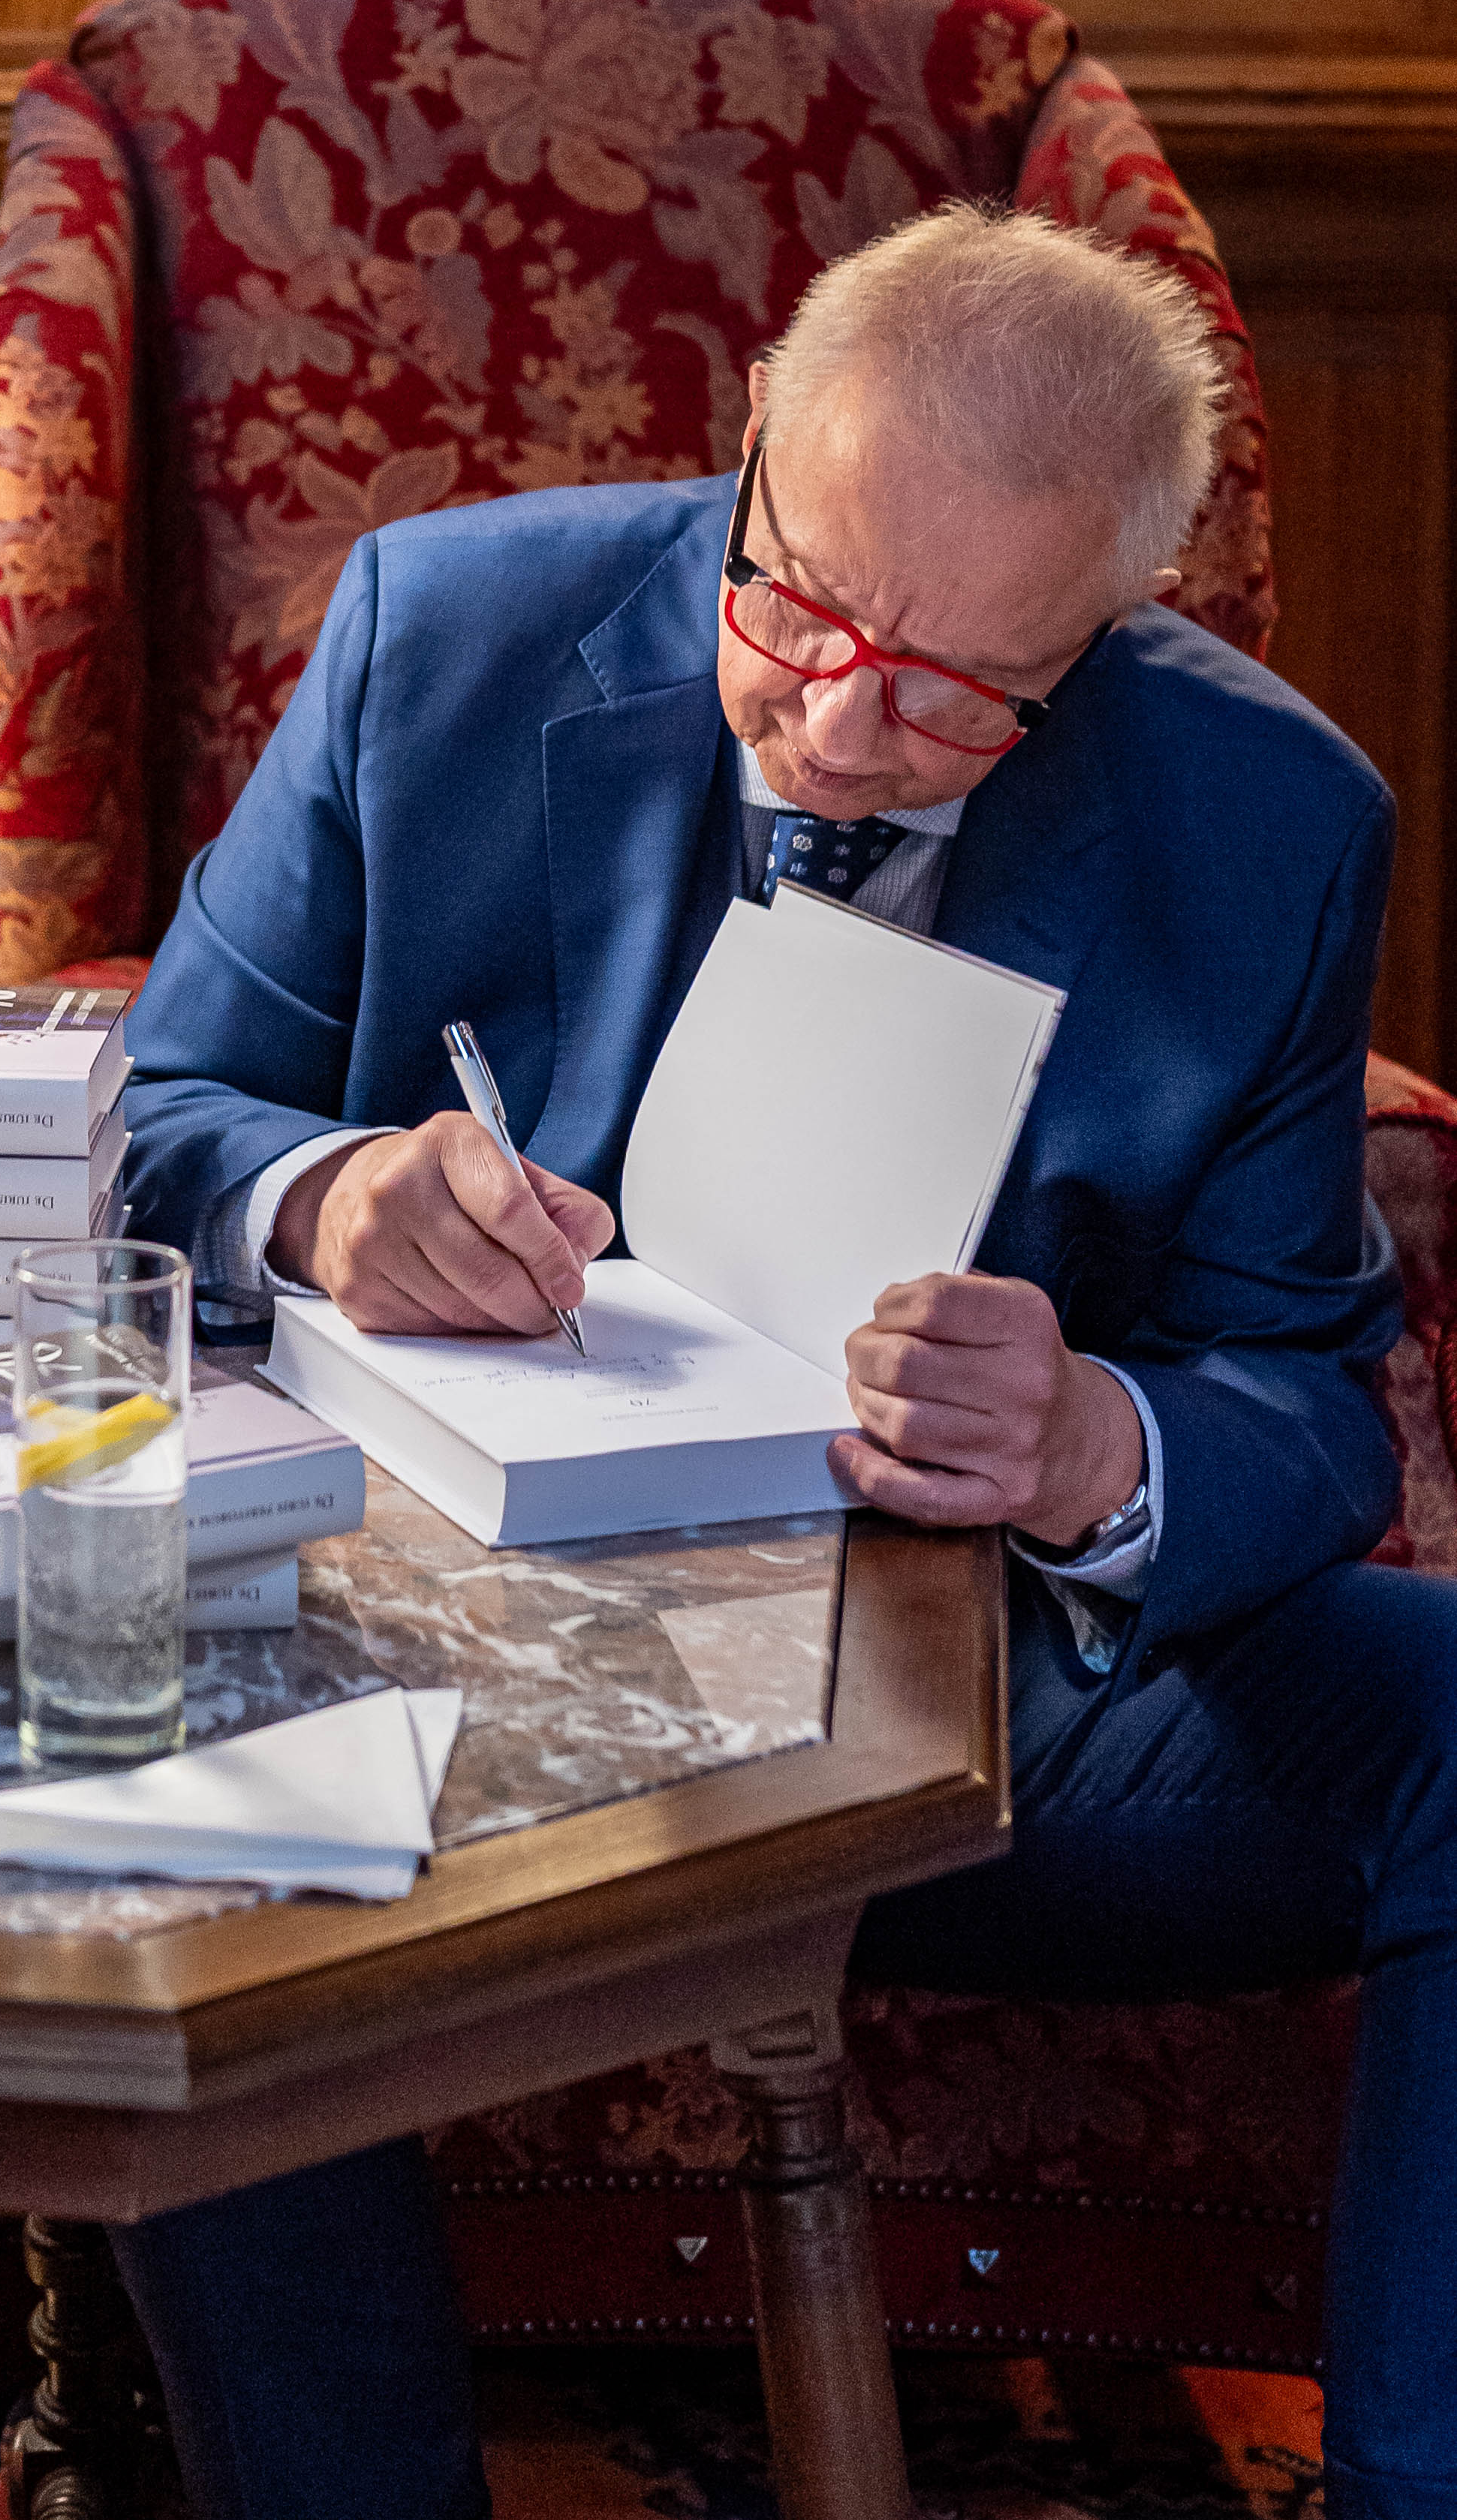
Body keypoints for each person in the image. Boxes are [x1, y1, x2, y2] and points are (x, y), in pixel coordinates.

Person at [113, 206, 1456, 2520]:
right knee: (151, 1761)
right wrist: (326, 1195)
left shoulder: (1265, 818)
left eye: (950, 694)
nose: (838, 729)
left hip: (949, 1695)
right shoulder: (444, 634)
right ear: (752, 435)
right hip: (410, 1645)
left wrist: (1092, 1440)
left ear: (1104, 621)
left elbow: (1309, 1396)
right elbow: (142, 1110)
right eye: (796, 607)